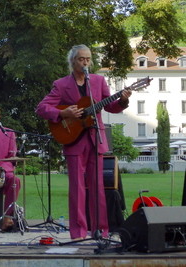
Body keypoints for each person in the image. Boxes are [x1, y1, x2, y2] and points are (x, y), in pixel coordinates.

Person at [36, 44, 132, 240]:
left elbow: (111, 106)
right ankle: (78, 232)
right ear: (73, 61)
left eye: (88, 59)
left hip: (95, 138)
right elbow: (42, 108)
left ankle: (101, 230)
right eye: (81, 59)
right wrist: (63, 112)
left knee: (98, 187)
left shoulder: (97, 81)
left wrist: (122, 100)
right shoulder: (61, 84)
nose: (85, 62)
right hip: (73, 140)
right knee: (77, 188)